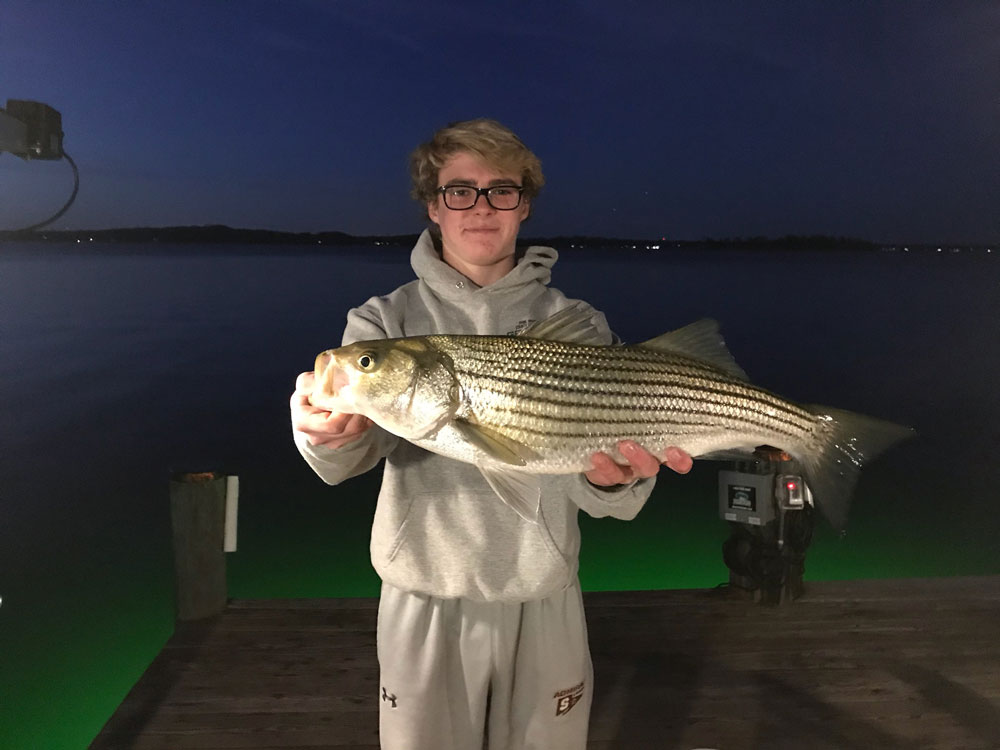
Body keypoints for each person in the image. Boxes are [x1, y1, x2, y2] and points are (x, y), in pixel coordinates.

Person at [290, 118, 692, 750]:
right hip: (423, 595)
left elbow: (602, 489)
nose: (480, 207)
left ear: (523, 205)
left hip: (542, 593)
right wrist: (324, 434)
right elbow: (348, 457)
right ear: (433, 204)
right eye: (460, 190)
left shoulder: (576, 322)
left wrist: (618, 480)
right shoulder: (382, 321)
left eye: (500, 189)